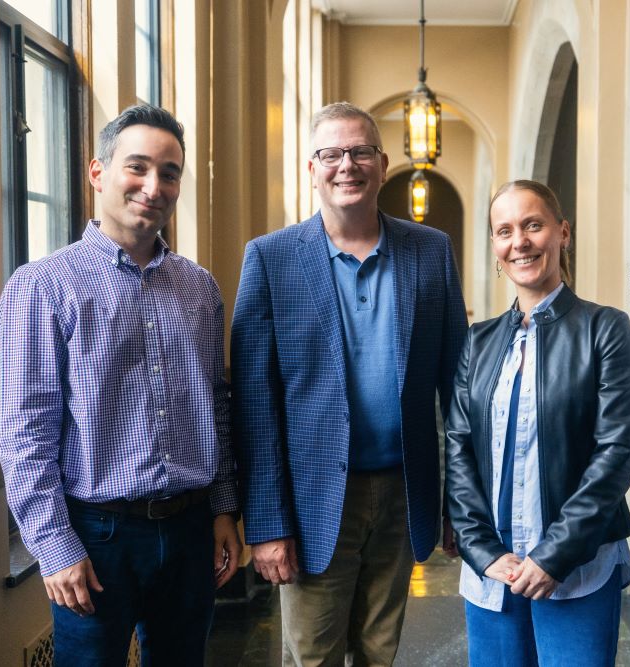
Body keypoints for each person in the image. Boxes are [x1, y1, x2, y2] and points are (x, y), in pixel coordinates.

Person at [0, 104, 241, 666]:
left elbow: (218, 410)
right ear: (97, 172)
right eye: (138, 167)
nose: (153, 186)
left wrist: (224, 511)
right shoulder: (42, 288)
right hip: (97, 536)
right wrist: (55, 549)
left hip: (189, 530)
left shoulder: (200, 289)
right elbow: (25, 433)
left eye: (170, 172)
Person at [231, 101, 467, 666]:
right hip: (311, 501)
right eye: (331, 153)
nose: (347, 165)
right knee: (313, 656)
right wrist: (264, 525)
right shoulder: (269, 259)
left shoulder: (429, 252)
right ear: (311, 168)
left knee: (380, 653)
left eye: (361, 151)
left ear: (384, 164)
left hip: (402, 489)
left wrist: (459, 503)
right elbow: (254, 407)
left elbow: (458, 389)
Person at [446, 180, 630, 666]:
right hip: (493, 570)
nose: (521, 241)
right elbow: (457, 448)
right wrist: (483, 551)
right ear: (496, 246)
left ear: (562, 232)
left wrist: (553, 556)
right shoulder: (479, 341)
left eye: (533, 225)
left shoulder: (606, 329)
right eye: (505, 230)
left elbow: (615, 454)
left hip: (577, 566)